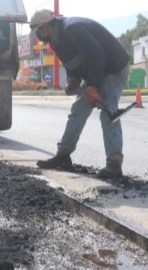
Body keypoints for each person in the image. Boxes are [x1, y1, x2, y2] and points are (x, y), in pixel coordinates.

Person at [29, 9, 130, 178]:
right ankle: (63, 156)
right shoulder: (56, 38)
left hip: (114, 66)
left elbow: (98, 56)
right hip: (98, 68)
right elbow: (71, 61)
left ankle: (114, 166)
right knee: (78, 110)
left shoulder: (72, 29)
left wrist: (92, 86)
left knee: (108, 112)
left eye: (38, 31)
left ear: (45, 27)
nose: (38, 36)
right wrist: (73, 79)